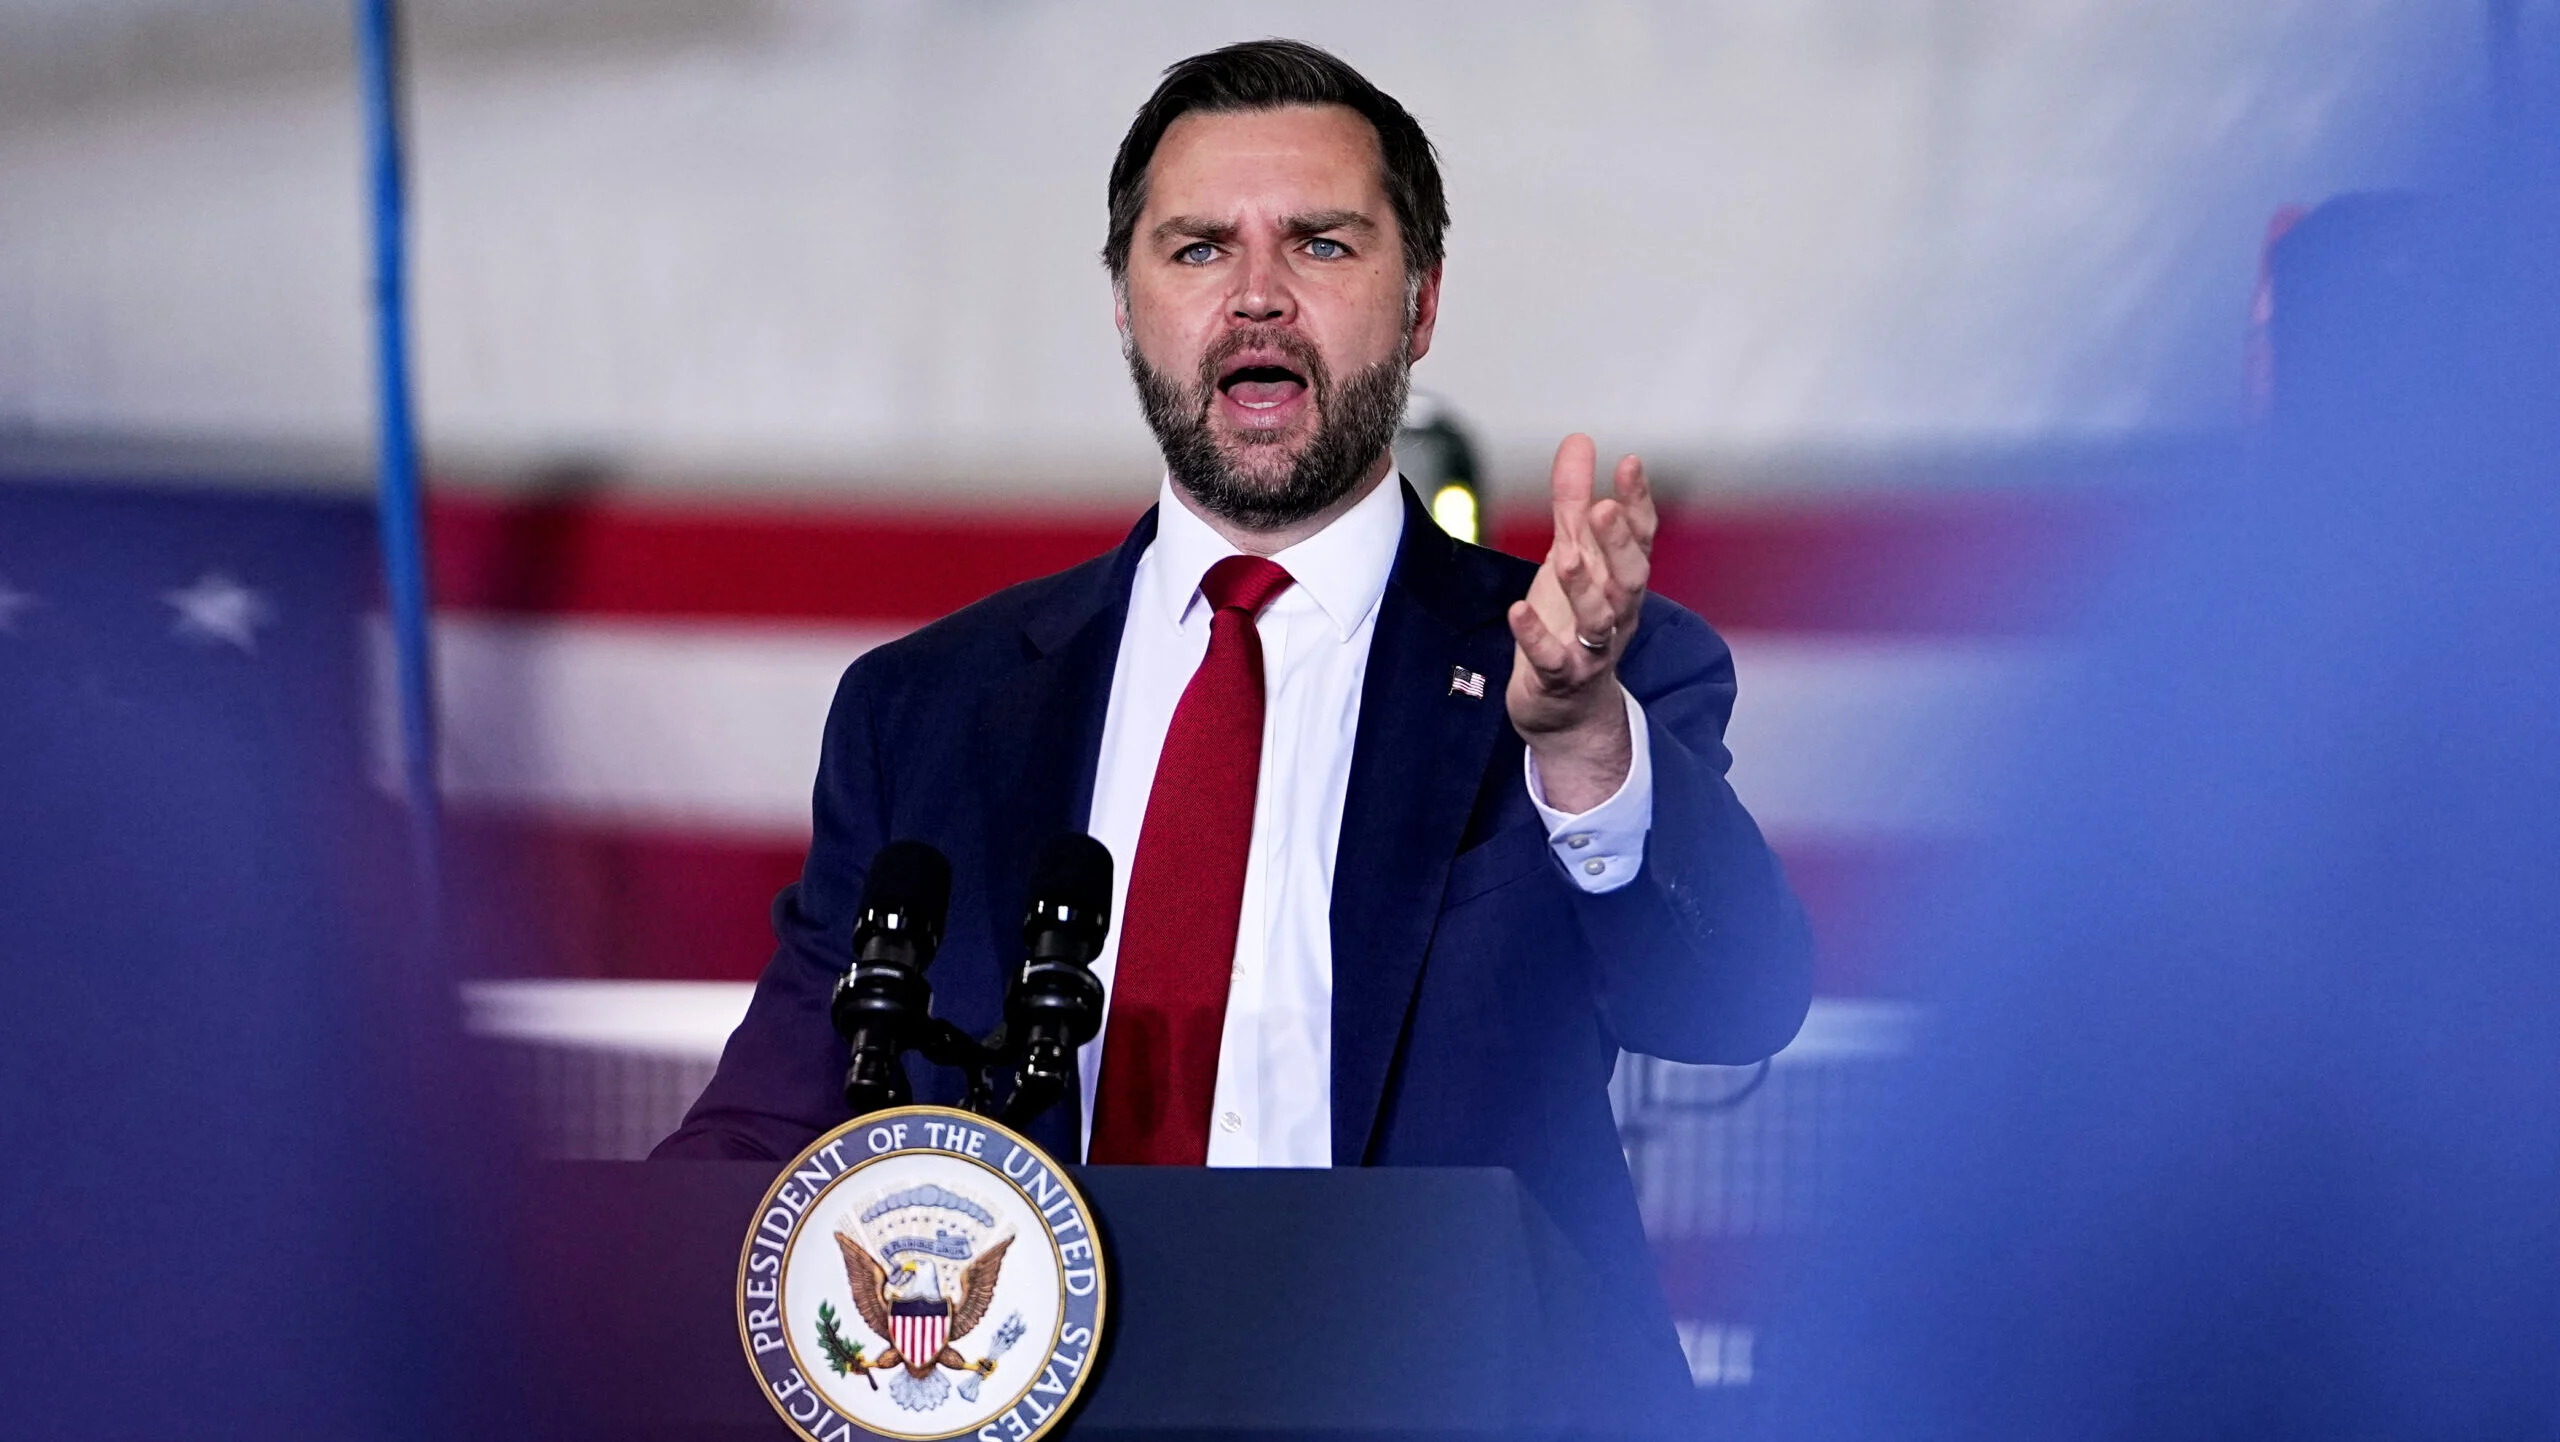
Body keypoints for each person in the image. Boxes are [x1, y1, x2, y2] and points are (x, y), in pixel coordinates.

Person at [656, 37, 1812, 1376]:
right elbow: (773, 1124)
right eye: (1200, 248)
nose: (1258, 296)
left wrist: (1585, 742)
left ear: (1422, 303)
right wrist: (581, 1274)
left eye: (1321, 244)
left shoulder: (1588, 670)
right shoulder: (927, 712)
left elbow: (1733, 1002)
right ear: (1125, 301)